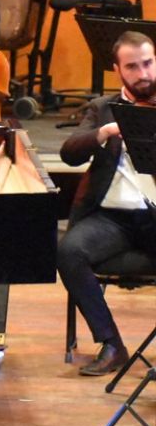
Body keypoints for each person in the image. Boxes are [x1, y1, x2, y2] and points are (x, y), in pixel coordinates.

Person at [55, 30, 156, 375]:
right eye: (133, 67)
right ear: (117, 69)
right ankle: (112, 344)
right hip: (113, 219)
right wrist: (105, 132)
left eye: (148, 64)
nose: (143, 74)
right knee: (69, 252)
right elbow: (69, 153)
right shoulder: (103, 109)